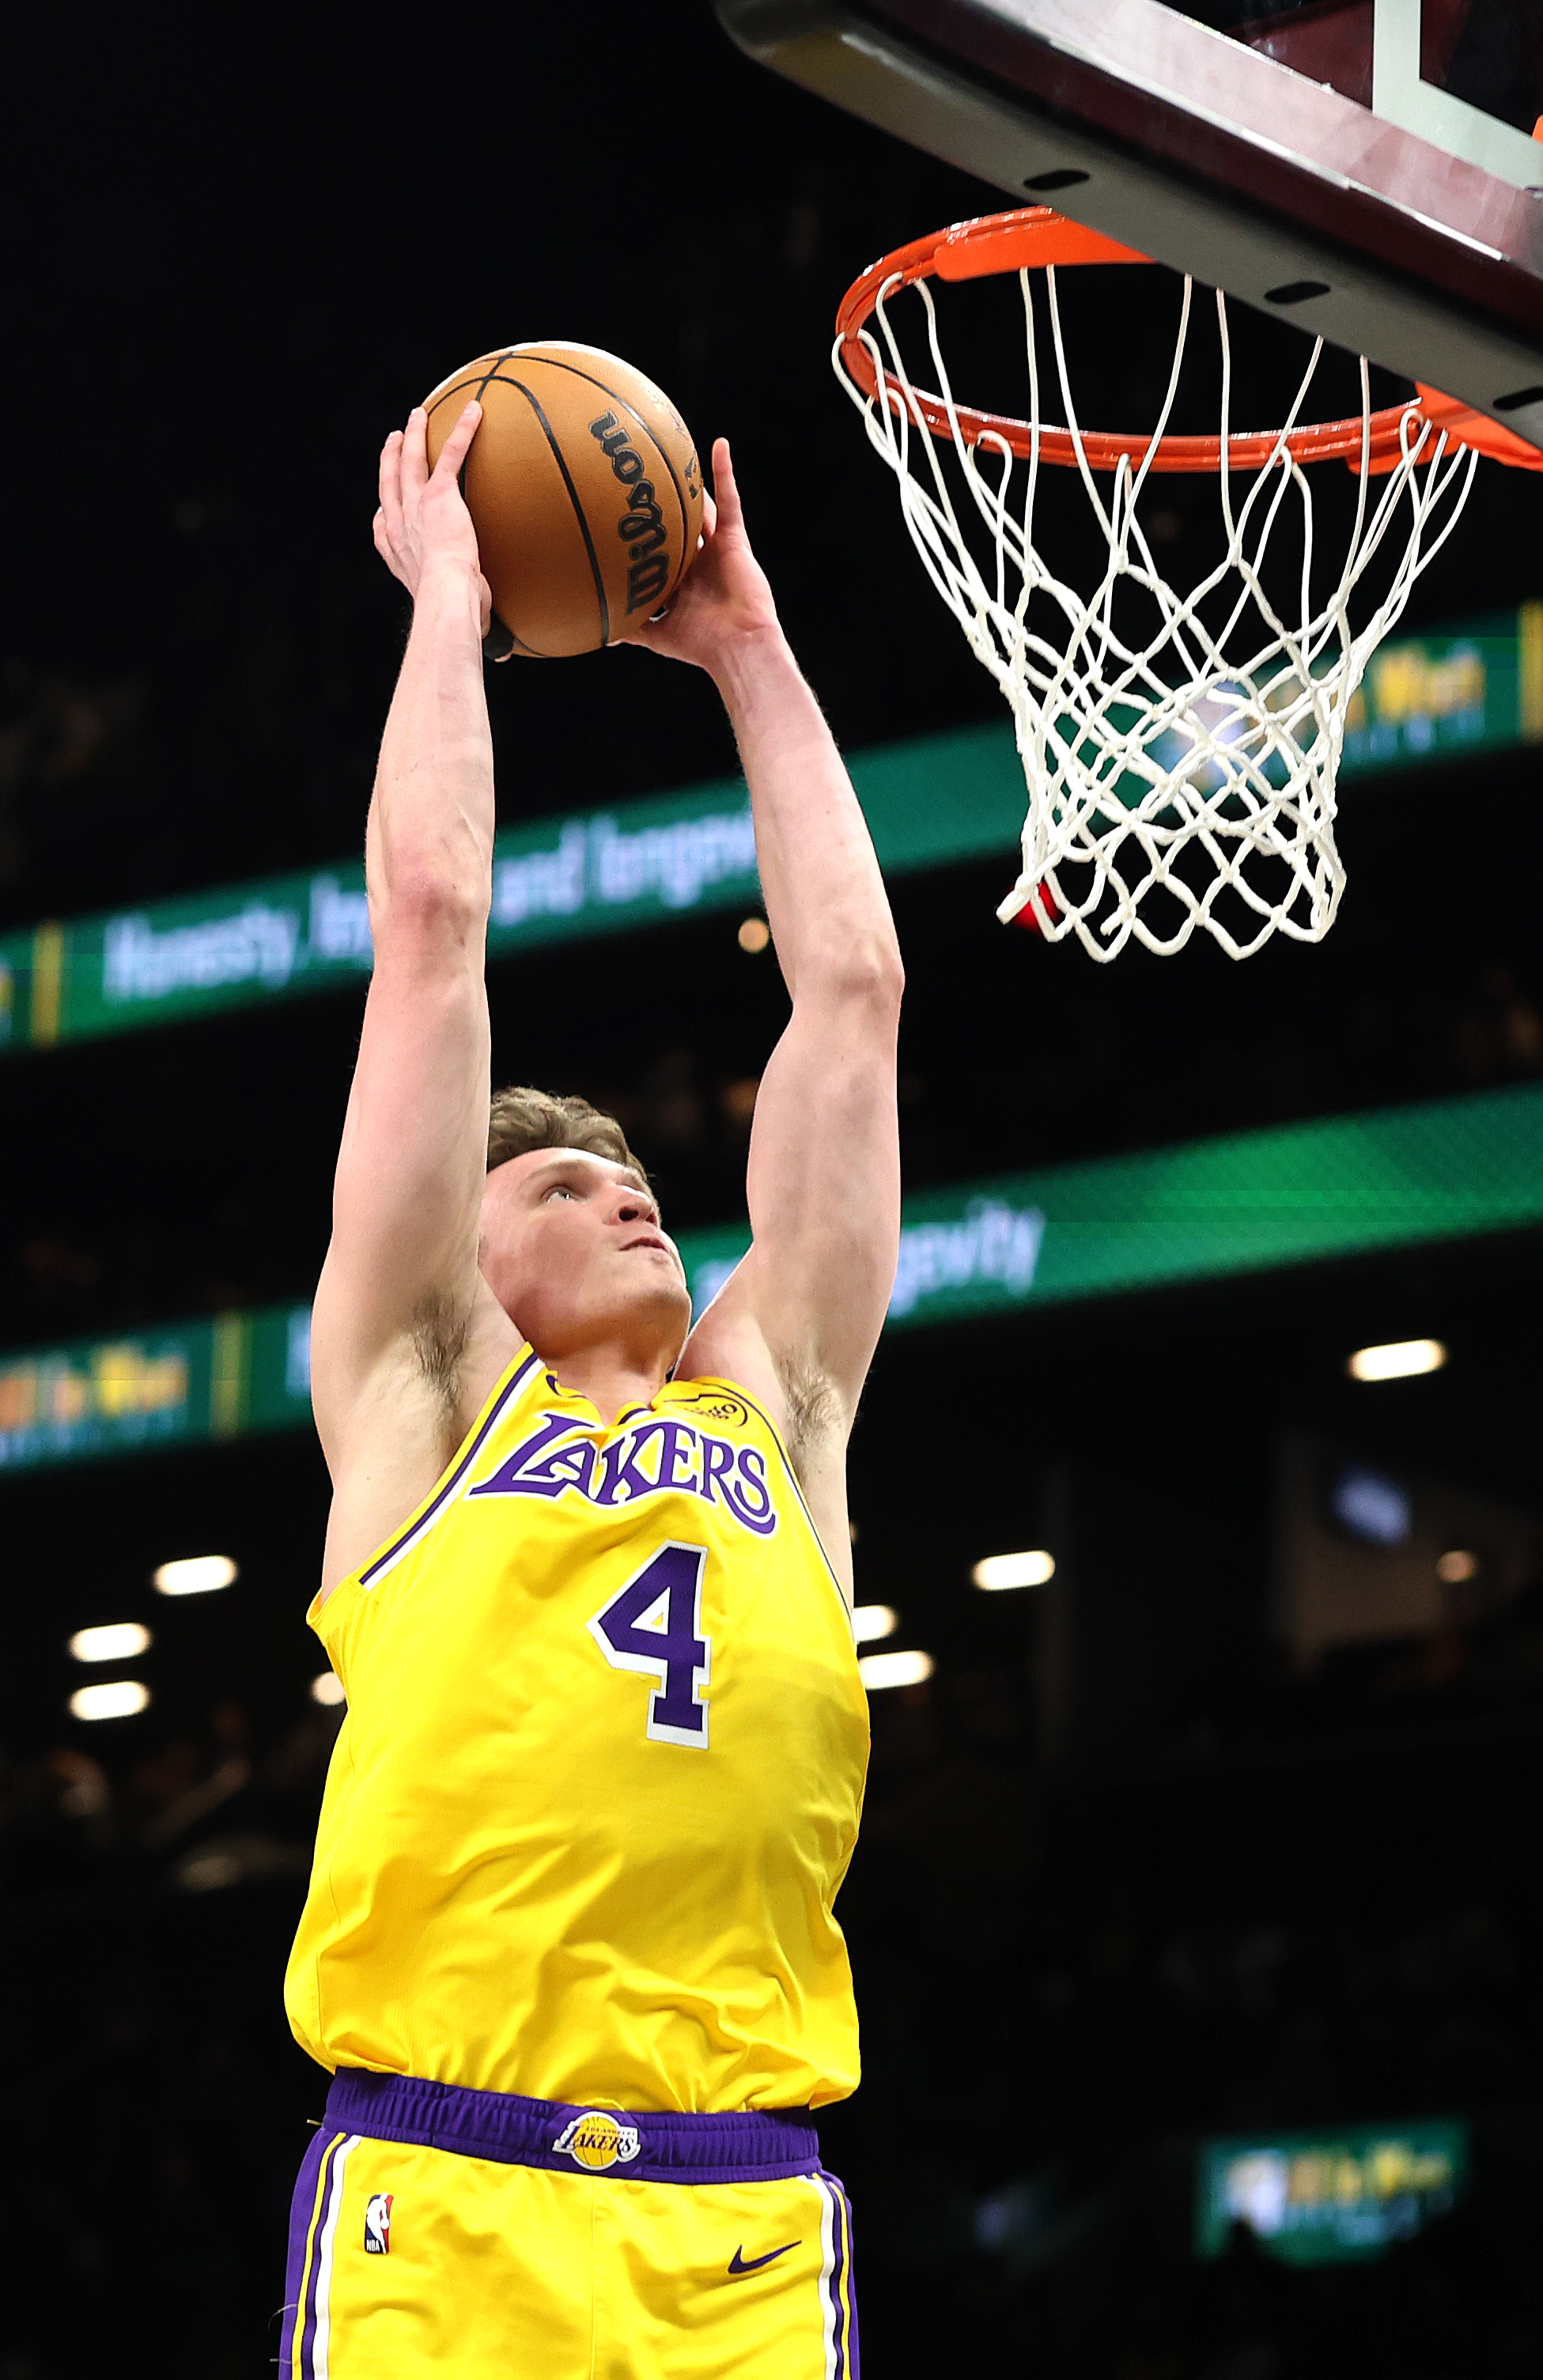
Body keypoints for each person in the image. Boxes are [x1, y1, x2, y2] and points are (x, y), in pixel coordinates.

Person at [278, 399, 903, 2377]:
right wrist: (447, 611)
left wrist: (748, 649)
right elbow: (430, 932)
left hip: (734, 2216)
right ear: (465, 1264)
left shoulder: (776, 1407)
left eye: (633, 1181)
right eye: (559, 1184)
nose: (628, 1193)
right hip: (446, 2192)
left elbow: (852, 995)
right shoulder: (425, 1406)